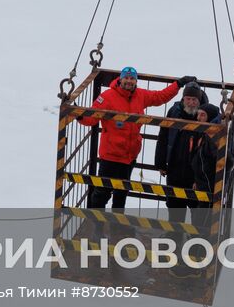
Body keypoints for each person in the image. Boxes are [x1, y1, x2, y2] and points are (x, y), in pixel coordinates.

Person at [81, 67, 197, 210]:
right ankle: (96, 224)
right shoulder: (107, 97)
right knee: (102, 192)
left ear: (136, 81)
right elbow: (91, 118)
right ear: (120, 79)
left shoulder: (140, 95)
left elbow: (160, 97)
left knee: (121, 193)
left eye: (132, 79)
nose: (129, 81)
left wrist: (178, 84)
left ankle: (116, 226)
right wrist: (78, 115)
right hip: (110, 156)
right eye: (126, 78)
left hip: (129, 155)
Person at [154, 83, 223, 220]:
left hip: (195, 172)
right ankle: (174, 234)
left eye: (194, 100)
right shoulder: (174, 112)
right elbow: (163, 137)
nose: (191, 103)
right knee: (174, 203)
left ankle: (195, 237)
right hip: (174, 167)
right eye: (188, 99)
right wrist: (160, 162)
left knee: (196, 206)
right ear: (183, 99)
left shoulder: (205, 115)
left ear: (199, 100)